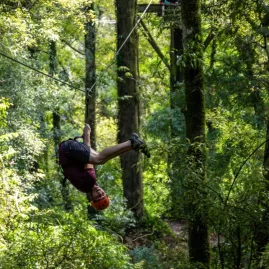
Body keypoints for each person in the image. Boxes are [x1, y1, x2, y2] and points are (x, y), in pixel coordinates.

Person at [58, 124, 150, 210]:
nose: (100, 193)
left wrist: (87, 133)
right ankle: (133, 146)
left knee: (99, 159)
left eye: (98, 196)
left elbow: (90, 157)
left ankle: (131, 143)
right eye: (103, 194)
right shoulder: (87, 185)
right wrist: (87, 132)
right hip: (68, 150)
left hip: (67, 150)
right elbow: (87, 152)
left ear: (91, 197)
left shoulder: (88, 182)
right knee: (99, 157)